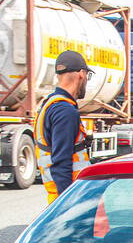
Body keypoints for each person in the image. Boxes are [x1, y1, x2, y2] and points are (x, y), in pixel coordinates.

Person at [33, 50, 93, 204]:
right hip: (70, 196)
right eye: (87, 75)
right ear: (81, 73)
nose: (86, 79)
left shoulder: (50, 104)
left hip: (61, 195)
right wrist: (66, 206)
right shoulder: (65, 111)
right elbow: (61, 161)